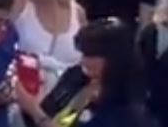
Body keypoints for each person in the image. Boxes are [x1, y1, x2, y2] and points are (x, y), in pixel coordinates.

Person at [24, 18, 153, 127]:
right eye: (84, 53)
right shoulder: (74, 77)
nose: (85, 61)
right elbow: (54, 113)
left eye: (93, 55)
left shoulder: (129, 103)